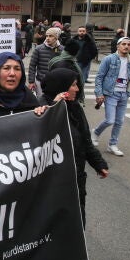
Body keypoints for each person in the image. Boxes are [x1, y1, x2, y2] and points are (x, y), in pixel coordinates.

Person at [40, 68, 109, 226]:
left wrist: (98, 164)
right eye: (74, 85)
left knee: (76, 223)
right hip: (52, 183)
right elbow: (39, 141)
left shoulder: (75, 107)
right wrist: (54, 109)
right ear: (61, 87)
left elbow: (85, 140)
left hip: (76, 179)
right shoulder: (41, 107)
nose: (77, 89)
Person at [92, 37, 130, 156]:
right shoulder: (109, 59)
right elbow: (99, 77)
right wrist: (99, 93)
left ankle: (112, 145)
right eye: (123, 44)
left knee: (119, 121)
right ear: (118, 46)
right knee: (110, 120)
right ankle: (95, 133)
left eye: (129, 44)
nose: (126, 46)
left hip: (124, 94)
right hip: (111, 93)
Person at [28, 27, 63, 97]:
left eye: (50, 36)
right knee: (41, 102)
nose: (47, 38)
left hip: (56, 81)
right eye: (46, 36)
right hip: (41, 81)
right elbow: (32, 65)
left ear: (56, 37)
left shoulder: (62, 49)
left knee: (54, 102)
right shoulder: (38, 49)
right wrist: (31, 81)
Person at [49, 39, 85, 104]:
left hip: (53, 96)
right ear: (76, 52)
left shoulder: (55, 58)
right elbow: (76, 85)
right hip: (67, 99)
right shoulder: (72, 66)